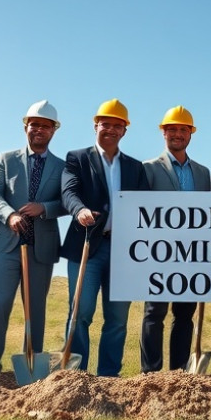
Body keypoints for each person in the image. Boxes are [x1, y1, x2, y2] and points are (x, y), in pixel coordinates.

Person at [60, 98, 150, 376]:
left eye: (117, 126)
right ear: (95, 126)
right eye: (105, 124)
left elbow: (146, 207)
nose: (110, 129)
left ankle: (109, 376)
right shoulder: (77, 158)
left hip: (124, 252)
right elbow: (69, 191)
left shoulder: (135, 167)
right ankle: (75, 375)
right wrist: (79, 210)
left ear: (124, 131)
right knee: (81, 312)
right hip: (87, 246)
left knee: (118, 319)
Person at [0, 101, 65, 374]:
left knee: (35, 309)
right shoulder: (7, 159)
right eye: (34, 124)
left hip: (41, 247)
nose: (39, 130)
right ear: (26, 127)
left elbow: (68, 201)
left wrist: (44, 208)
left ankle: (31, 368)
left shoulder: (62, 167)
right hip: (6, 245)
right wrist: (9, 216)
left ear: (53, 130)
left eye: (45, 126)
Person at [140, 106, 211, 373]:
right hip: (158, 252)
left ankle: (178, 373)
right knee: (154, 312)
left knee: (184, 315)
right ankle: (150, 373)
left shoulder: (202, 173)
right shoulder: (148, 169)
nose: (177, 134)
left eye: (183, 129)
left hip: (191, 253)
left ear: (191, 134)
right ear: (163, 132)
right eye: (172, 129)